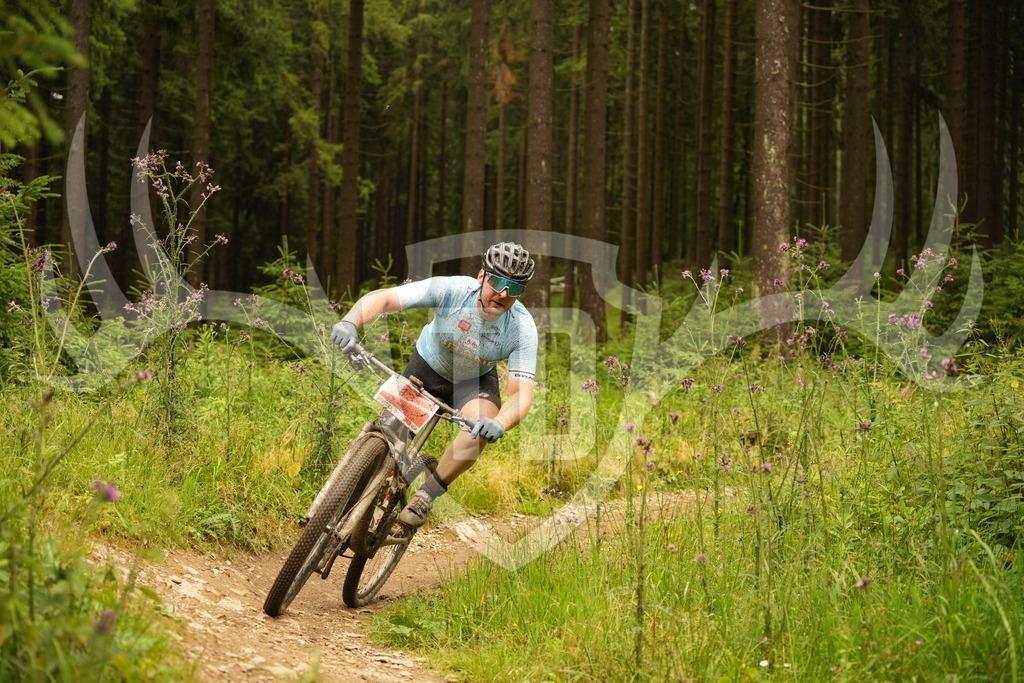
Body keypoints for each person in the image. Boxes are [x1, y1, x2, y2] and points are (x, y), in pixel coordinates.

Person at [329, 242, 538, 528]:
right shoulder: (452, 290)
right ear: (481, 277)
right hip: (426, 368)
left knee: (478, 430)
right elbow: (387, 298)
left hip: (473, 382)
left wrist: (501, 422)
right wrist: (351, 321)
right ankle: (352, 497)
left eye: (514, 288)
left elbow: (521, 394)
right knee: (389, 434)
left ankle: (427, 495)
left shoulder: (522, 327)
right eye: (497, 281)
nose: (503, 294)